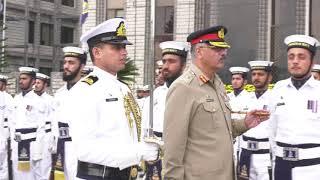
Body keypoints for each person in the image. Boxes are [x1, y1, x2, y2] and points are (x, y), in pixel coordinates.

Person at [163, 26, 270, 180]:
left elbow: (216, 130)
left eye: (224, 49)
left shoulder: (217, 83)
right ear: (199, 51)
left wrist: (245, 123)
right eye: (217, 49)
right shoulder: (183, 87)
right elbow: (173, 146)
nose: (224, 53)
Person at [68, 18, 159, 180]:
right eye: (116, 47)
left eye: (124, 47)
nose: (124, 52)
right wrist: (139, 152)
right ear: (97, 52)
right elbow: (84, 149)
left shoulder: (122, 88)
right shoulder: (85, 90)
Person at [269, 34, 320, 180]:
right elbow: (272, 129)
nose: (295, 61)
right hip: (281, 165)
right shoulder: (278, 89)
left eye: (301, 57)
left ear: (312, 61)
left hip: (313, 168)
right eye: (291, 57)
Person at [142, 41, 189, 179]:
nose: (166, 66)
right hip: (155, 154)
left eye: (172, 61)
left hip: (181, 155)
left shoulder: (191, 92)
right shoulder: (156, 94)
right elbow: (145, 125)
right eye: (164, 61)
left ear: (183, 65)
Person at [52, 46, 87, 180]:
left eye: (71, 63)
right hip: (61, 148)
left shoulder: (89, 91)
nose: (66, 66)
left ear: (82, 66)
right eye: (65, 62)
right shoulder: (59, 93)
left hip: (80, 148)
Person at [11, 67, 49, 180]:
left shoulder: (39, 101)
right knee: (17, 174)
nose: (21, 81)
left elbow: (42, 127)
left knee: (30, 175)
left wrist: (39, 149)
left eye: (24, 78)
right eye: (20, 78)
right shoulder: (16, 99)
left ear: (33, 81)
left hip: (32, 145)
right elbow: (13, 123)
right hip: (17, 143)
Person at [238, 61, 273, 180]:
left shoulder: (275, 99)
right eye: (253, 74)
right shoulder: (244, 98)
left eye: (260, 74)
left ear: (269, 78)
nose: (256, 77)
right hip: (245, 153)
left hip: (265, 156)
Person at [228, 66, 250, 165]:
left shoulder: (250, 97)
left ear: (244, 82)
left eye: (238, 79)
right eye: (233, 79)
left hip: (243, 139)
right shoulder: (226, 97)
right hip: (228, 137)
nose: (235, 81)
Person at [34, 73, 55, 179]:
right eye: (35, 82)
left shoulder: (50, 100)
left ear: (45, 85)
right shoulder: (30, 99)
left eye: (39, 83)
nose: (36, 85)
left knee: (45, 166)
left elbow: (54, 121)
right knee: (32, 168)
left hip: (46, 137)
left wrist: (52, 140)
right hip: (33, 137)